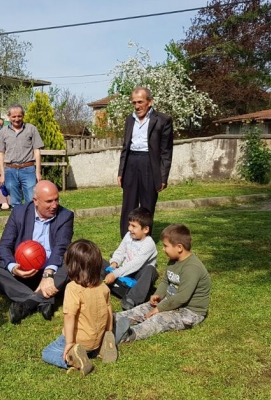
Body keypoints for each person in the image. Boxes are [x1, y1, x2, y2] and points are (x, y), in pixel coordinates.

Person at [0, 180, 74, 324]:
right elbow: (4, 246)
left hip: (51, 274)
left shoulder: (65, 216)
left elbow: (61, 248)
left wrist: (48, 274)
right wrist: (13, 267)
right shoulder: (19, 212)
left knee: (74, 261)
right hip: (23, 273)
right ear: (35, 200)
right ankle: (42, 298)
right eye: (49, 201)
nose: (54, 205)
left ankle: (29, 303)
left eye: (57, 199)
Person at [114, 224, 211, 345]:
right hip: (170, 301)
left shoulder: (192, 267)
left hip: (189, 311)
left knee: (158, 320)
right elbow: (166, 281)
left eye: (166, 246)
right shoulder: (173, 261)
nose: (163, 249)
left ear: (179, 247)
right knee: (141, 309)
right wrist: (158, 295)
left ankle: (126, 334)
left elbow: (182, 297)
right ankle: (109, 320)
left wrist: (159, 309)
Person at [41, 239, 116, 376]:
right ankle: (100, 349)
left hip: (79, 341)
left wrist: (70, 343)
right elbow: (108, 309)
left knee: (47, 352)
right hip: (97, 339)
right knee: (92, 341)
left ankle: (73, 360)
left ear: (72, 267)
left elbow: (69, 316)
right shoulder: (103, 286)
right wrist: (108, 332)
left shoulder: (73, 288)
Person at [117, 87, 174, 238]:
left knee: (147, 205)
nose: (137, 106)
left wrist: (163, 177)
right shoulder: (130, 119)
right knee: (128, 205)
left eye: (140, 102)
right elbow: (125, 147)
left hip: (150, 164)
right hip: (131, 163)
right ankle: (126, 241)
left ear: (150, 102)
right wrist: (121, 172)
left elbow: (166, 152)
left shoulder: (163, 120)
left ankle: (144, 243)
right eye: (134, 103)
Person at [103, 207, 158, 310]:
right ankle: (100, 282)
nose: (129, 228)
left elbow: (135, 264)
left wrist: (115, 274)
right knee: (99, 261)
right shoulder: (129, 235)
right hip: (124, 272)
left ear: (146, 229)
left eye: (133, 226)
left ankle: (132, 298)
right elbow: (120, 251)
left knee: (151, 270)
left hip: (138, 277)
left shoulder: (149, 244)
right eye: (129, 225)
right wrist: (114, 263)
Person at [0, 104, 44, 208]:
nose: (16, 119)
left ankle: (30, 222)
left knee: (31, 200)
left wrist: (38, 172)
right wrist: (2, 174)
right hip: (10, 170)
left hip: (28, 169)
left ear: (23, 116)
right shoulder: (3, 131)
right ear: (9, 117)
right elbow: (0, 153)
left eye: (19, 116)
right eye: (14, 116)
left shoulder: (31, 129)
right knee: (14, 202)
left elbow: (37, 151)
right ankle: (18, 222)